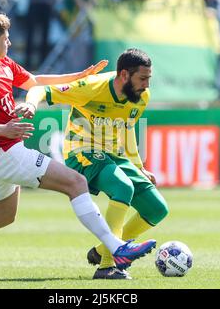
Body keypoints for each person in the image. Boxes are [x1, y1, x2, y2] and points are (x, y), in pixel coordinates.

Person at [0, 12, 156, 280]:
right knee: (75, 182)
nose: (10, 43)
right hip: (3, 153)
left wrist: (79, 76)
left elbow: (35, 81)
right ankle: (116, 249)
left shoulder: (3, 64)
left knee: (2, 217)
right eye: (6, 39)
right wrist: (4, 130)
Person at [17, 48, 169, 279]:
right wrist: (31, 105)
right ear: (124, 75)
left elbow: (127, 131)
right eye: (143, 78)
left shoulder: (140, 97)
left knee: (157, 208)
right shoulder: (92, 86)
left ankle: (101, 251)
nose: (147, 85)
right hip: (81, 151)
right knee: (123, 187)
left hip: (112, 153)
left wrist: (140, 168)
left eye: (149, 78)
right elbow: (39, 89)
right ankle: (108, 266)